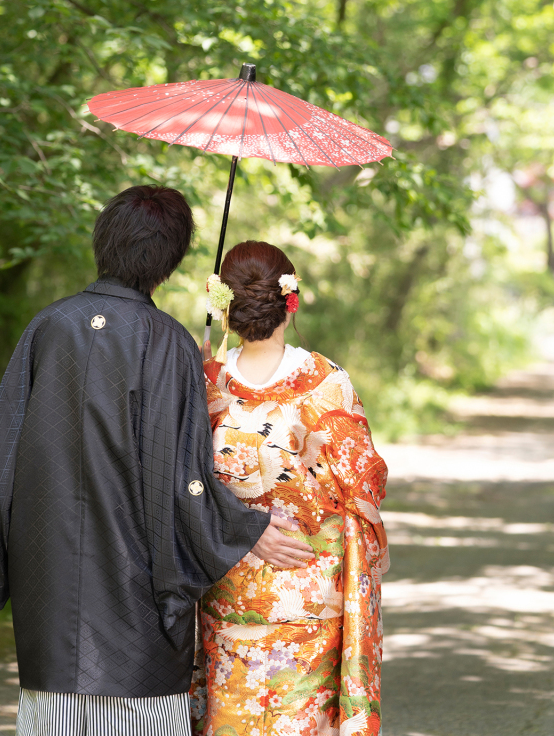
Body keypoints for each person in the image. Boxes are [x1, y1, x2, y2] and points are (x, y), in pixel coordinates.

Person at [0, 186, 313, 736]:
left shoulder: (47, 327)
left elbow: (1, 456)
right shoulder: (167, 342)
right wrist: (247, 528)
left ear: (104, 241)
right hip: (134, 601)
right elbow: (183, 480)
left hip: (48, 589)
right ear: (170, 260)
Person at [190, 240, 389, 736]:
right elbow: (363, 485)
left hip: (229, 583)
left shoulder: (204, 386)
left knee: (232, 719)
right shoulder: (326, 383)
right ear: (290, 302)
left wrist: (191, 382)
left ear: (224, 306)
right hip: (309, 585)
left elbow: (184, 485)